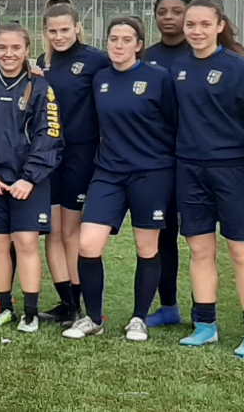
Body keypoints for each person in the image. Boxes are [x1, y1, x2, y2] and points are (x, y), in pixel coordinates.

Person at [174, 0, 244, 359]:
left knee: (242, 251)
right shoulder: (178, 69)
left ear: (219, 26)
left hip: (233, 172)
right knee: (200, 250)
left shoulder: (239, 68)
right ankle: (205, 326)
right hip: (189, 172)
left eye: (204, 24)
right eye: (190, 25)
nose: (196, 31)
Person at [66, 17, 176, 342]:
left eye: (127, 40)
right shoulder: (100, 79)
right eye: (114, 39)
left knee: (146, 247)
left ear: (139, 45)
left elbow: (174, 123)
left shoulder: (158, 78)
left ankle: (139, 318)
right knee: (88, 244)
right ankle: (94, 318)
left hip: (150, 174)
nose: (118, 45)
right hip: (108, 173)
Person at [0, 22, 62, 333]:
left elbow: (50, 134)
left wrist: (30, 178)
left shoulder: (41, 86)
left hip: (28, 181)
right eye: (3, 47)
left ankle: (30, 312)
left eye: (15, 48)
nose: (8, 54)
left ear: (26, 51)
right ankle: (4, 306)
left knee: (26, 241)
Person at [37, 0, 111, 327]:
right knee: (52, 230)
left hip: (81, 155)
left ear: (78, 28)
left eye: (65, 29)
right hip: (48, 154)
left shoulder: (95, 60)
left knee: (72, 231)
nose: (59, 36)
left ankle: (82, 302)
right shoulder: (42, 62)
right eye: (53, 31)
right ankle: (66, 302)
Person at [142, 0, 193, 328]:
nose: (169, 17)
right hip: (160, 162)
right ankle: (169, 305)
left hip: (200, 159)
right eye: (163, 11)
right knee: (164, 235)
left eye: (177, 11)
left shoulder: (205, 54)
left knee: (202, 238)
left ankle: (206, 309)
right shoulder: (145, 57)